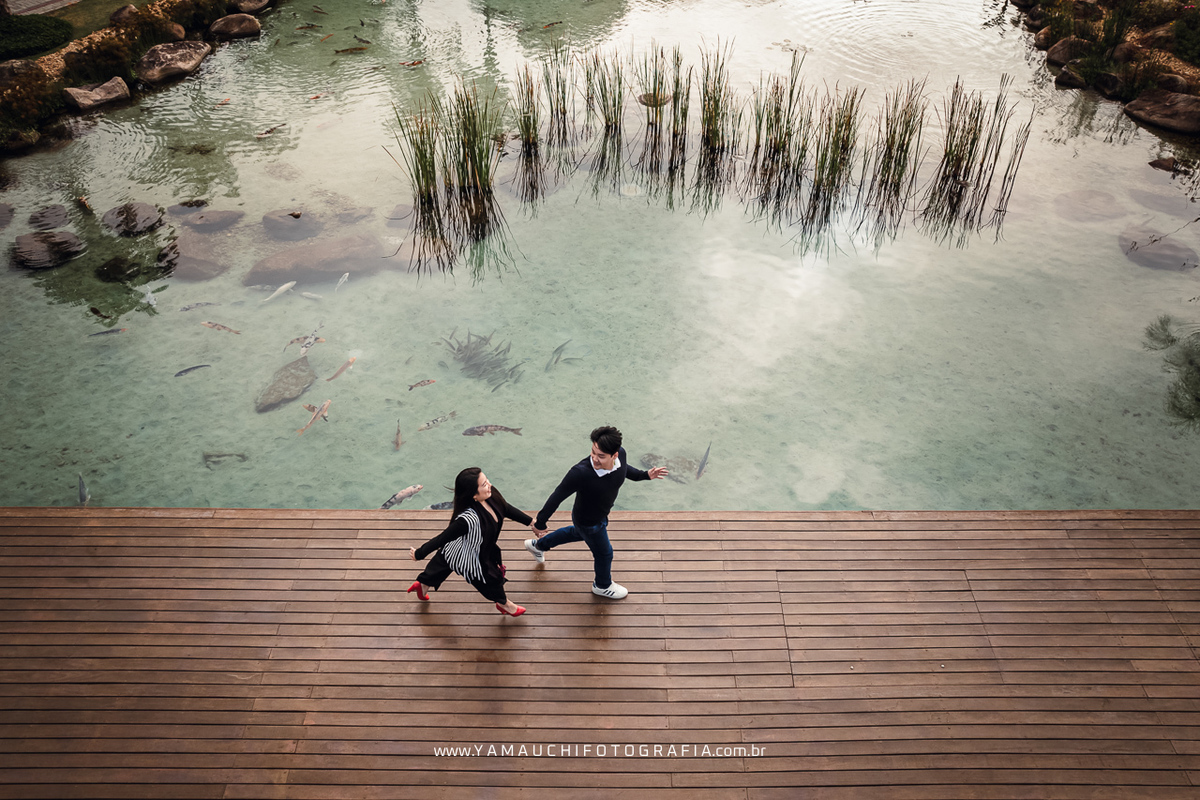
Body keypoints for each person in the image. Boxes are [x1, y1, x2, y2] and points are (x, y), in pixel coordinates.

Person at [525, 425, 668, 599]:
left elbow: (624, 469)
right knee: (604, 553)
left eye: (601, 456)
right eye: (593, 452)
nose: (594, 458)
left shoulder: (621, 455)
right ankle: (602, 585)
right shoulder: (580, 473)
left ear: (614, 455)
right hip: (588, 520)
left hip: (600, 514)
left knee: (576, 533)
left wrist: (644, 475)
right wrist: (540, 523)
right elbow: (557, 496)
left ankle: (537, 546)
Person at [409, 467, 531, 616]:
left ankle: (422, 585)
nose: (490, 485)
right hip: (472, 555)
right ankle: (505, 604)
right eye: (484, 484)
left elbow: (506, 508)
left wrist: (531, 522)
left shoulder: (490, 495)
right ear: (473, 494)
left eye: (487, 480)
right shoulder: (467, 519)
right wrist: (419, 553)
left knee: (443, 561)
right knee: (489, 578)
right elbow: (442, 538)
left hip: (467, 546)